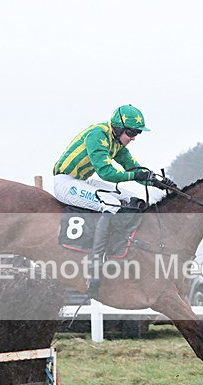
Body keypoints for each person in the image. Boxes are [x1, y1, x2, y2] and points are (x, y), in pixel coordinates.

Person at [52, 104, 173, 298]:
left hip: (83, 181)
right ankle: (95, 265)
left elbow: (132, 166)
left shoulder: (117, 142)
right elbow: (106, 172)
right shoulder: (97, 135)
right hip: (65, 182)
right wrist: (135, 175)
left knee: (131, 198)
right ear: (118, 127)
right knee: (112, 203)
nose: (134, 137)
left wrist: (155, 180)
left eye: (137, 133)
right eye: (131, 132)